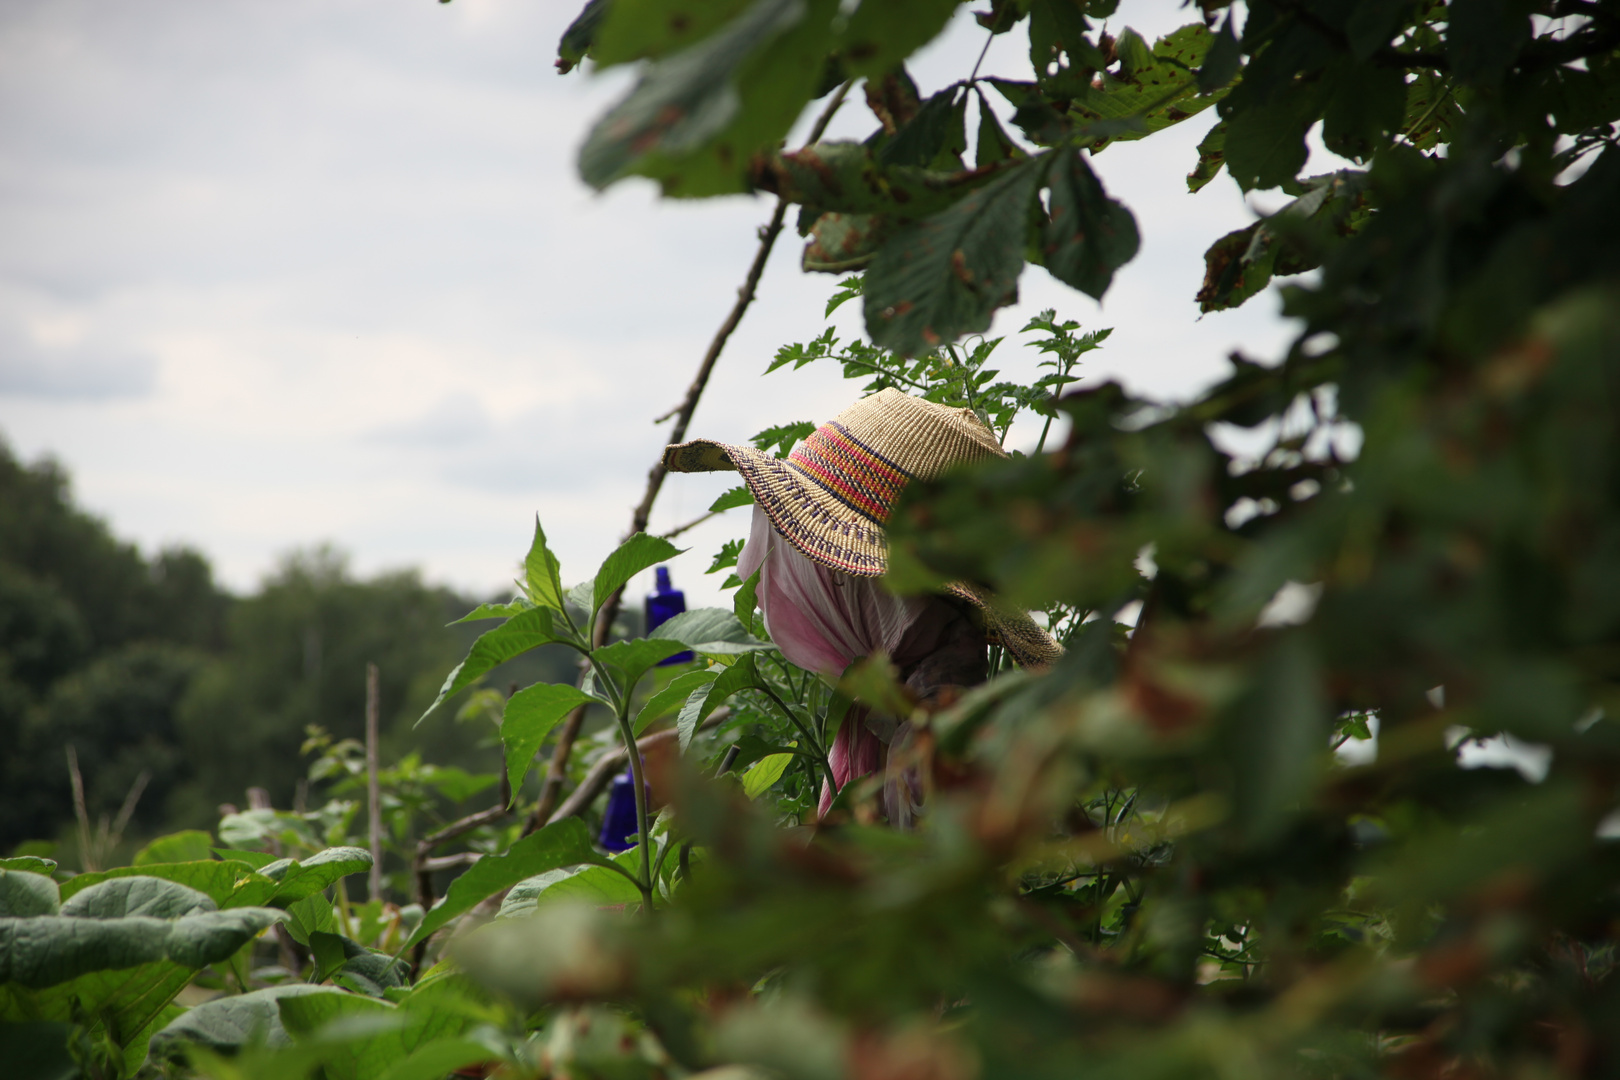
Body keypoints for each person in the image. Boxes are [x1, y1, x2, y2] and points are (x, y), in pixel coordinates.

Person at [664, 388, 1059, 824]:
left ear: (852, 579)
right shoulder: (905, 708)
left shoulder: (941, 750)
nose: (766, 576)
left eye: (803, 557)